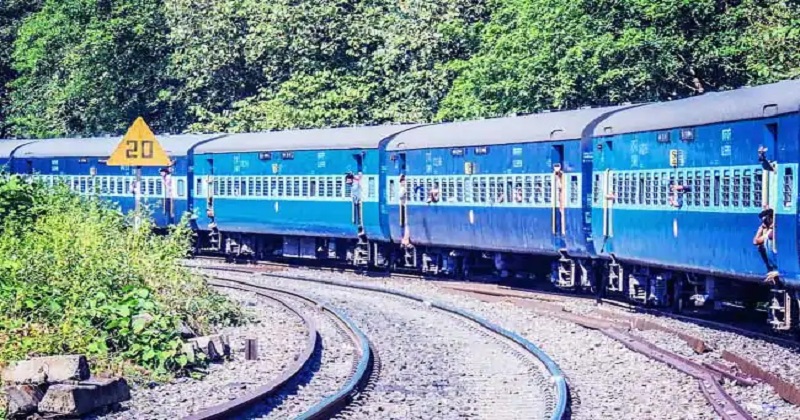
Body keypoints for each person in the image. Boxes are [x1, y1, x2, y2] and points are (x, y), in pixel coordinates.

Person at [754, 207, 779, 283]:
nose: (764, 221)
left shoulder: (772, 232)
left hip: (777, 265)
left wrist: (762, 227)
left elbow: (756, 241)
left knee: (762, 245)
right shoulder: (770, 230)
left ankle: (773, 269)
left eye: (766, 219)